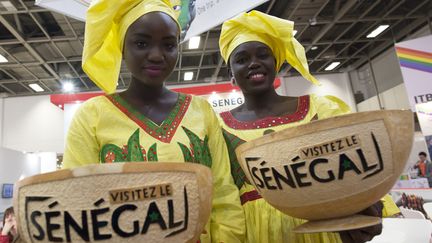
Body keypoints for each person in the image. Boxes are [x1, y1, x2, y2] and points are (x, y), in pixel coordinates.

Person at [63, 1, 245, 242]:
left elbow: (223, 193)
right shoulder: (92, 116)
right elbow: (77, 201)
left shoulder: (201, 110)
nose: (157, 55)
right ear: (122, 47)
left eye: (169, 45)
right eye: (141, 43)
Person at [218, 10, 399, 243]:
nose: (254, 63)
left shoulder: (321, 109)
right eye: (241, 59)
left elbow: (361, 164)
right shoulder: (218, 126)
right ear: (231, 74)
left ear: (276, 62)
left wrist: (366, 207)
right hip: (253, 233)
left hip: (324, 229)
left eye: (263, 55)